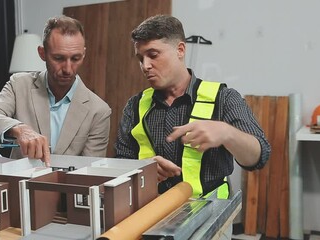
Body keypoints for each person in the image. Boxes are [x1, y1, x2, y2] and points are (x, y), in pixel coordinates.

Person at [115, 14, 271, 199]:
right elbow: (119, 164)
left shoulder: (223, 98)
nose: (145, 65)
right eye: (140, 58)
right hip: (153, 214)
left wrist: (227, 133)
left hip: (213, 217)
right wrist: (142, 169)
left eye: (153, 55)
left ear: (180, 50)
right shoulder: (135, 106)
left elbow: (258, 156)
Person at [0, 15, 111, 167]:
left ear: (83, 54)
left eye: (76, 58)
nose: (68, 69)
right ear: (42, 53)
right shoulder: (19, 85)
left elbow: (90, 175)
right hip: (18, 187)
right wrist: (19, 129)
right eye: (59, 58)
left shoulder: (99, 111)